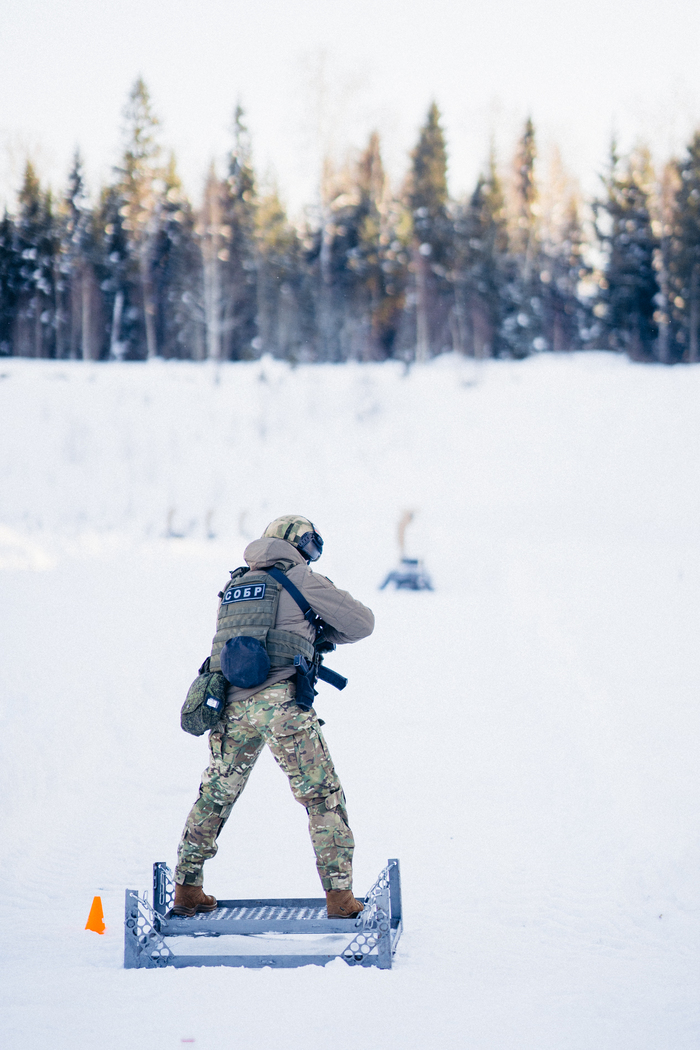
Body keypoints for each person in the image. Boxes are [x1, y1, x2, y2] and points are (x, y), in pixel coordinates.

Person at [172, 515, 375, 919]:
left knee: (215, 795)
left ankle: (186, 887)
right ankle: (340, 898)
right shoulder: (299, 577)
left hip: (230, 704)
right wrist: (320, 634)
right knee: (322, 797)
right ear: (298, 544)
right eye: (311, 546)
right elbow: (361, 623)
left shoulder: (234, 584)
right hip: (281, 704)